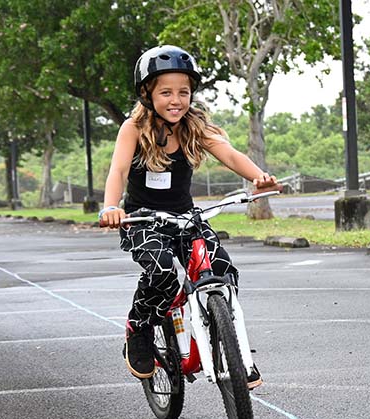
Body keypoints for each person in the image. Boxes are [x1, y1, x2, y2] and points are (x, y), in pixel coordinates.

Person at [99, 45, 278, 388]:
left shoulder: (194, 125)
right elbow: (118, 171)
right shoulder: (133, 127)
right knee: (164, 272)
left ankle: (236, 352)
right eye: (166, 92)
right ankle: (139, 328)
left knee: (223, 269)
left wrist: (259, 177)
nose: (176, 100)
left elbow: (230, 154)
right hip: (142, 220)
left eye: (184, 91)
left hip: (185, 217)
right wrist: (111, 208)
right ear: (147, 93)